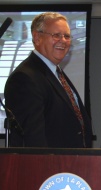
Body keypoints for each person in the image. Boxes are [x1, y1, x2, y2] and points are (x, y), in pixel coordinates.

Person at [4, 12, 92, 148]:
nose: (63, 41)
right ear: (37, 37)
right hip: (50, 167)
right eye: (56, 35)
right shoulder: (25, 78)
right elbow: (33, 139)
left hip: (72, 164)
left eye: (67, 36)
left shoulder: (57, 73)